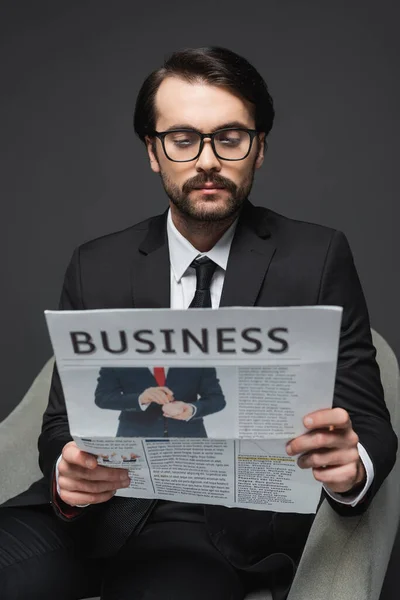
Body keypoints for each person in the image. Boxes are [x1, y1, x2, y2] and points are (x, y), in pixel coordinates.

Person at [0, 46, 397, 600]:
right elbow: (60, 425)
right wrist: (68, 477)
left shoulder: (317, 256)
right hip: (89, 518)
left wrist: (351, 467)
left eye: (229, 137)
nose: (207, 160)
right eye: (183, 139)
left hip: (217, 533)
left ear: (258, 150)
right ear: (153, 152)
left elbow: (371, 423)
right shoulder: (97, 263)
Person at [94, 366, 226, 437]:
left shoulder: (197, 356)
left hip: (189, 437)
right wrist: (140, 399)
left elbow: (216, 399)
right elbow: (103, 397)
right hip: (135, 436)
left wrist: (192, 409)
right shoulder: (118, 357)